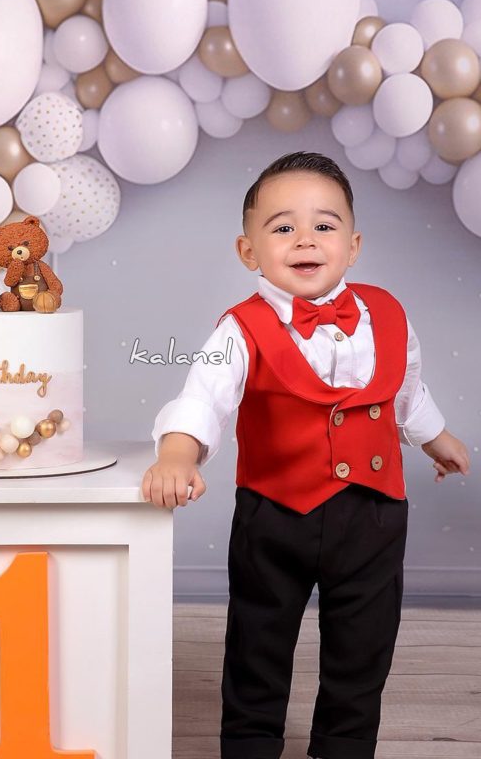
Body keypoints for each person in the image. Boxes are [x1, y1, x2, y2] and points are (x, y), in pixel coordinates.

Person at [140, 151, 470, 759]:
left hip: (374, 516)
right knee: (258, 643)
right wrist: (178, 455)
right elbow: (202, 396)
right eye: (283, 227)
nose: (305, 239)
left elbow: (404, 391)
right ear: (249, 252)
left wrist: (436, 437)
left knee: (363, 647)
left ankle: (344, 746)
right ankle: (250, 744)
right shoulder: (239, 329)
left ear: (353, 245)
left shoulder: (389, 314)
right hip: (274, 516)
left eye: (324, 224)